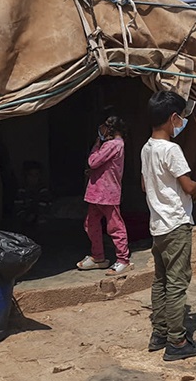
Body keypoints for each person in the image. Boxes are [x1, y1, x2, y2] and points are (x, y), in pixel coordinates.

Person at [141, 90, 196, 361]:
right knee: (177, 282)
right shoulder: (172, 149)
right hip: (176, 223)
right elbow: (187, 185)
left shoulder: (146, 148)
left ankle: (159, 332)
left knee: (160, 280)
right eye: (181, 118)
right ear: (172, 118)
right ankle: (177, 341)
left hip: (157, 225)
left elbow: (144, 185)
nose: (182, 122)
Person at [77, 116, 132, 276]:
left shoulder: (113, 145)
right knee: (91, 224)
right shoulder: (114, 145)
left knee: (115, 226)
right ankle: (98, 256)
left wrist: (96, 145)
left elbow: (93, 162)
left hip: (107, 193)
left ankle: (123, 260)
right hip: (98, 193)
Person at [13, 160, 52, 227]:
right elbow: (18, 208)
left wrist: (35, 216)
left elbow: (44, 208)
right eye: (30, 175)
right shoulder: (21, 191)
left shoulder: (43, 190)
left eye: (36, 175)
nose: (33, 178)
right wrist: (26, 217)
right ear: (25, 176)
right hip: (25, 222)